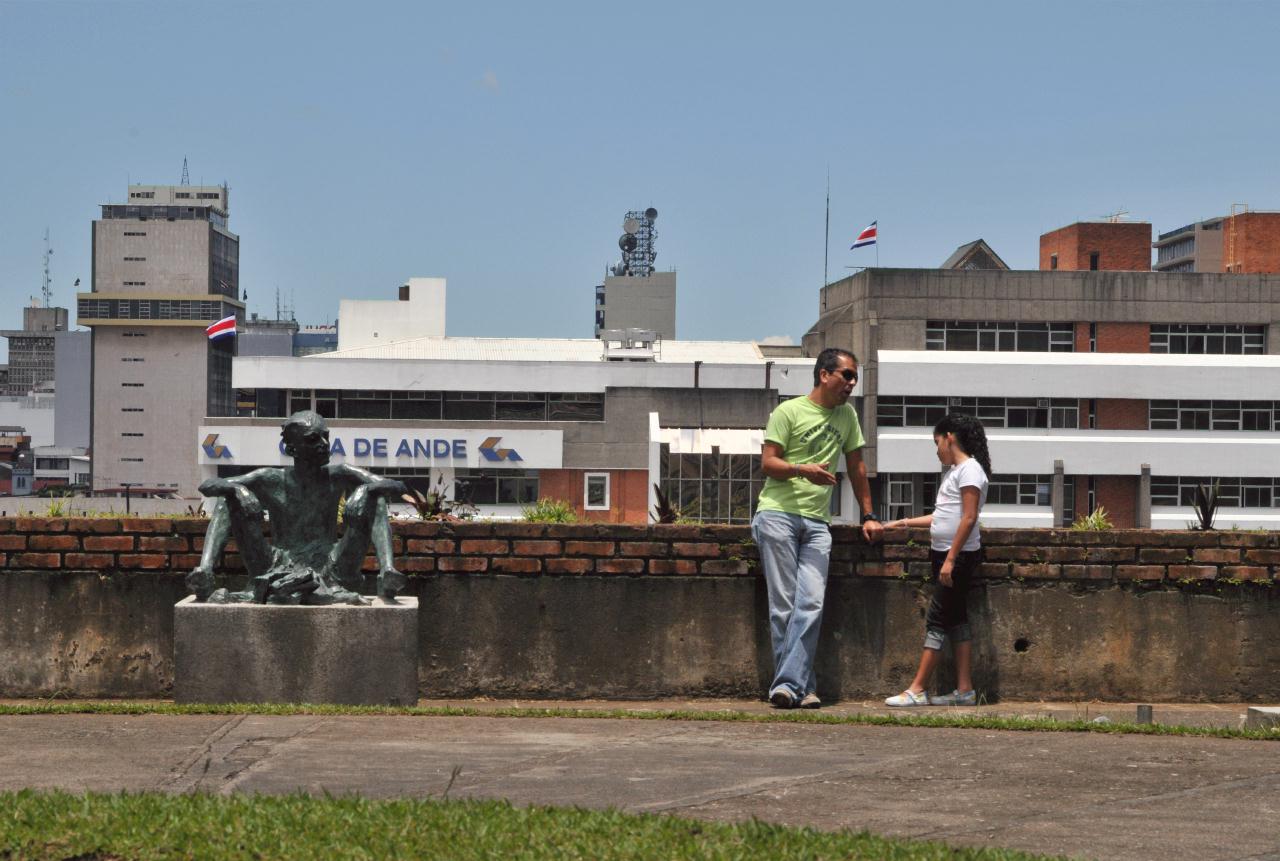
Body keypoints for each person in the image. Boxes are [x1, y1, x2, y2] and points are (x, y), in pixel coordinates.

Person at [753, 347, 883, 709]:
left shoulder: (847, 417)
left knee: (810, 602)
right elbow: (768, 463)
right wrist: (802, 469)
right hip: (777, 514)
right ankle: (802, 687)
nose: (851, 383)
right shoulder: (788, 411)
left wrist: (869, 515)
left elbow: (857, 467)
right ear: (824, 375)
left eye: (854, 377)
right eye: (846, 375)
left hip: (817, 522)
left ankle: (789, 687)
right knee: (783, 606)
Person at [187, 410, 408, 605]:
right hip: (275, 564)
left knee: (375, 497)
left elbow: (396, 486)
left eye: (326, 436)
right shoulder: (271, 478)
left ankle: (387, 573)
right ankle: (204, 572)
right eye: (313, 439)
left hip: (332, 565)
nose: (324, 443)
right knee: (228, 499)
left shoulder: (340, 473)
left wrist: (365, 490)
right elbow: (208, 486)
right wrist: (238, 490)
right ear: (292, 448)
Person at [882, 413, 991, 707]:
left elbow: (969, 518)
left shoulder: (969, 470)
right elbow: (942, 517)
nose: (937, 450)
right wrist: (901, 523)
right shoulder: (955, 472)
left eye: (937, 442)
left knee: (937, 619)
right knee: (956, 619)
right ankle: (965, 691)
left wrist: (951, 560)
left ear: (949, 437)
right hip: (945, 554)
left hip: (958, 556)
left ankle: (917, 689)